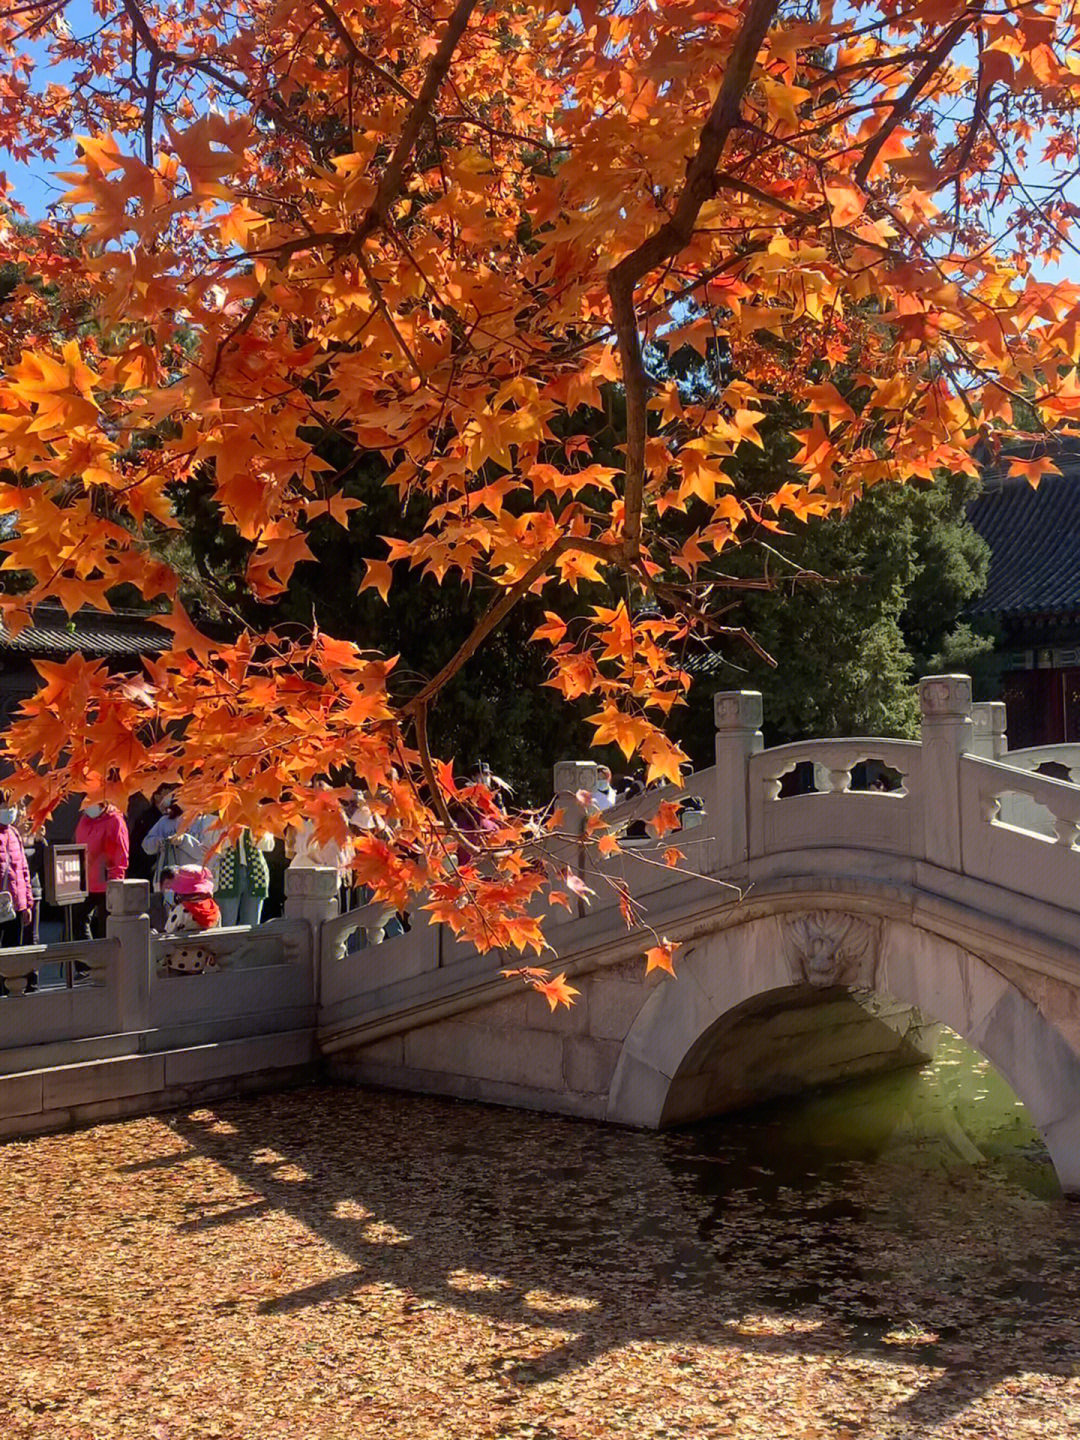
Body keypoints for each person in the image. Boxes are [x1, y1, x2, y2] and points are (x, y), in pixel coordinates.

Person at [75, 797, 130, 940]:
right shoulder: (84, 820)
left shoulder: (115, 820)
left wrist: (116, 881)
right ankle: (86, 959)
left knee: (106, 926)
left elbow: (121, 852)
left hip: (107, 881)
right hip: (86, 881)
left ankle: (105, 960)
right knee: (77, 920)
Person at [0, 800, 34, 994]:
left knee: (13, 951)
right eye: (4, 807)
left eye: (11, 807)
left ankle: (11, 993)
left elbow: (23, 870)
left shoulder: (13, 833)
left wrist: (27, 904)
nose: (9, 811)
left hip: (14, 904)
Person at [212, 828, 274, 928]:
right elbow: (214, 844)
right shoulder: (222, 818)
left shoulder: (259, 819)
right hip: (227, 877)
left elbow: (269, 846)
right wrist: (232, 830)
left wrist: (255, 832)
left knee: (251, 926)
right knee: (225, 926)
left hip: (256, 876)